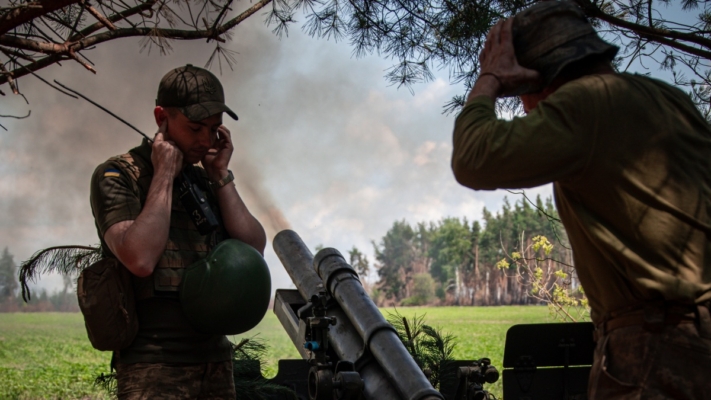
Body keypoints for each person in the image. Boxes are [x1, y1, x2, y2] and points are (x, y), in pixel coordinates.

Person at [450, 1, 711, 399]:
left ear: (539, 80)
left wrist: (490, 79)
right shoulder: (670, 99)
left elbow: (473, 159)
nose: (524, 108)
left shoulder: (584, 104)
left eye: (521, 94)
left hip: (656, 343)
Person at [90, 64, 266, 399]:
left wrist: (220, 176)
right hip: (154, 364)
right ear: (161, 117)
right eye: (195, 127)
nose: (205, 140)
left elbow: (252, 249)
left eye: (214, 129)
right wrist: (163, 175)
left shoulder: (204, 179)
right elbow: (139, 258)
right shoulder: (118, 175)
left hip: (214, 359)